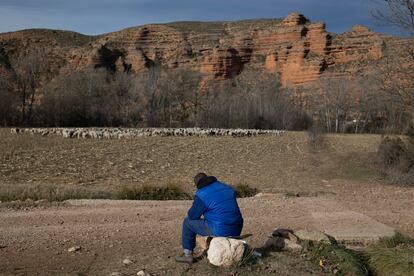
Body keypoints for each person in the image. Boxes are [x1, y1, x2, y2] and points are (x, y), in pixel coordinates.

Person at [175, 173, 244, 264]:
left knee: (187, 222)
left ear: (197, 184)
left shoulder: (202, 194)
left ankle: (187, 255)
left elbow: (192, 216)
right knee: (215, 218)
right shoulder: (226, 187)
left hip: (220, 229)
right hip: (237, 227)